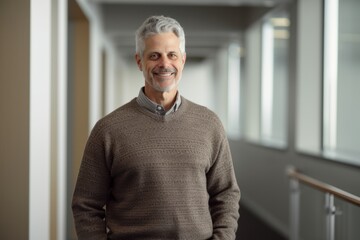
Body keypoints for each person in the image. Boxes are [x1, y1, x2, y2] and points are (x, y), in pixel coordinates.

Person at [72, 15, 240, 240]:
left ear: (183, 60)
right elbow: (86, 206)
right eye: (154, 56)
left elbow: (226, 194)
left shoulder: (209, 124)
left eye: (172, 55)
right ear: (139, 61)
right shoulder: (108, 130)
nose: (164, 64)